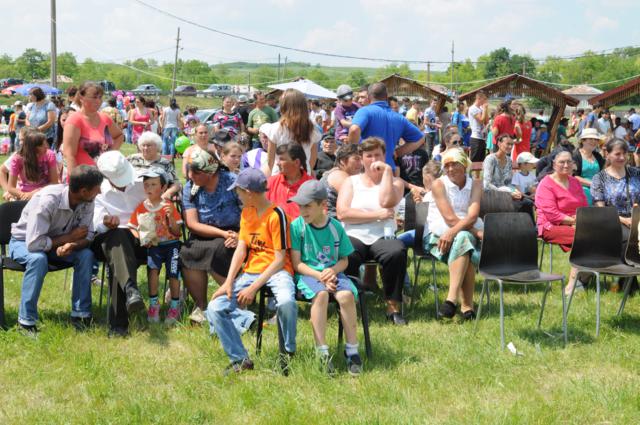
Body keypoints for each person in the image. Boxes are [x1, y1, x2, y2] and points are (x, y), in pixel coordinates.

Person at [207, 168, 297, 375]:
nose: (236, 195)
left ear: (248, 192)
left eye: (238, 191)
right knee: (215, 307)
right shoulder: (247, 212)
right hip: (251, 271)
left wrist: (254, 288)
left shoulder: (277, 215)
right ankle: (240, 359)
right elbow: (241, 248)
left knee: (286, 302)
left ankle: (289, 351)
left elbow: (279, 259)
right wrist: (229, 282)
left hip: (278, 271)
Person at [9, 165, 104, 333]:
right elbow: (34, 244)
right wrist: (68, 238)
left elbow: (88, 235)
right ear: (83, 191)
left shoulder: (88, 200)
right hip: (22, 242)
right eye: (97, 189)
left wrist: (72, 245)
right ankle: (26, 322)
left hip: (57, 244)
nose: (100, 192)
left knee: (86, 255)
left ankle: (81, 315)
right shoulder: (48, 200)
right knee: (38, 259)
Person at [289, 180, 362, 376]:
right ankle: (322, 352)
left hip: (334, 272)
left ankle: (352, 350)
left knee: (346, 296)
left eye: (307, 206)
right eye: (300, 205)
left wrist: (333, 270)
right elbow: (297, 264)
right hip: (308, 274)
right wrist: (320, 275)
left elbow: (344, 260)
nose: (302, 210)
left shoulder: (336, 227)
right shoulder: (297, 227)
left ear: (323, 206)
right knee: (320, 296)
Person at [338, 137, 408, 325]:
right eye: (368, 155)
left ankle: (393, 307)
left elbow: (387, 201)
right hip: (354, 234)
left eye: (377, 155)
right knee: (348, 254)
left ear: (384, 156)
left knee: (396, 252)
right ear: (361, 159)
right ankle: (349, 303)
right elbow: (343, 213)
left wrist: (386, 173)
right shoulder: (351, 182)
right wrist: (377, 214)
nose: (373, 159)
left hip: (383, 234)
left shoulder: (397, 183)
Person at [180, 148, 243, 322]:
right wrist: (221, 233)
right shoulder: (190, 188)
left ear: (210, 172)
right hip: (206, 232)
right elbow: (192, 224)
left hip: (234, 232)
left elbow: (250, 213)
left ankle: (235, 300)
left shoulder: (233, 182)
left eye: (196, 173)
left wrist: (239, 235)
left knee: (219, 250)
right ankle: (201, 306)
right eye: (190, 172)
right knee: (187, 252)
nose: (191, 176)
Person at [93, 151, 147, 336]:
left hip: (142, 239)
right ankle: (131, 289)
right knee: (117, 240)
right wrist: (106, 222)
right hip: (111, 239)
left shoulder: (143, 182)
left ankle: (118, 326)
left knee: (118, 261)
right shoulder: (99, 191)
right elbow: (96, 225)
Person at [425, 149, 483, 320]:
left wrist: (455, 231)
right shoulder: (438, 184)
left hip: (459, 230)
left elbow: (472, 215)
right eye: (447, 165)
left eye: (454, 164)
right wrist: (476, 232)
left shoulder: (477, 184)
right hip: (440, 233)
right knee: (467, 241)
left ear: (464, 165)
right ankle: (467, 306)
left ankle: (451, 300)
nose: (450, 169)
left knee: (464, 239)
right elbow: (449, 219)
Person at [128, 169, 183, 325]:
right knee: (152, 271)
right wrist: (141, 238)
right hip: (154, 246)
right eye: (146, 185)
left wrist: (171, 216)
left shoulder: (169, 206)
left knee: (173, 273)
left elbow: (177, 232)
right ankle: (154, 305)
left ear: (163, 188)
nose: (149, 188)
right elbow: (132, 226)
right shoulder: (141, 207)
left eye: (153, 184)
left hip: (172, 245)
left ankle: (174, 306)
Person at [535, 150, 589, 294]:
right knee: (584, 239)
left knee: (600, 236)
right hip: (550, 225)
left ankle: (583, 278)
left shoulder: (575, 182)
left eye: (569, 162)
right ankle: (572, 285)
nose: (566, 165)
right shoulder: (546, 184)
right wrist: (573, 222)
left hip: (577, 223)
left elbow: (584, 205)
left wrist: (581, 220)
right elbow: (551, 213)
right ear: (553, 164)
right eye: (561, 162)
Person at [347, 82, 424, 171]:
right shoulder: (399, 118)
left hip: (368, 169)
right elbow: (420, 139)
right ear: (386, 96)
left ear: (369, 96)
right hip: (388, 170)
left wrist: (352, 153)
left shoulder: (364, 111)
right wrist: (397, 152)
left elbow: (354, 130)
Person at [591, 138, 640, 262]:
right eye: (617, 154)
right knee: (630, 238)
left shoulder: (636, 174)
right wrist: (625, 220)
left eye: (625, 154)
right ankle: (628, 279)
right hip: (612, 222)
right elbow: (601, 210)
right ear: (607, 155)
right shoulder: (599, 178)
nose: (622, 157)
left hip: (637, 220)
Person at [62, 81, 124, 177]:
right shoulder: (74, 120)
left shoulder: (105, 118)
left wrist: (110, 154)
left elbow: (119, 136)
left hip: (105, 176)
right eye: (94, 97)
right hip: (85, 180)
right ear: (81, 98)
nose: (98, 101)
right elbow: (69, 155)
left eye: (100, 97)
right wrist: (76, 181)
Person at [263, 89, 321, 176]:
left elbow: (270, 160)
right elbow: (313, 157)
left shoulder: (275, 128)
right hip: (303, 175)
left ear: (284, 107)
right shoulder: (311, 129)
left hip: (280, 176)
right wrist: (308, 171)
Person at [483, 134, 534, 219]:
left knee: (527, 201)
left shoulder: (509, 160)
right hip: (493, 195)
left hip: (507, 192)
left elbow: (509, 182)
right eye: (508, 144)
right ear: (499, 144)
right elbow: (487, 184)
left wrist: (517, 192)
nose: (510, 147)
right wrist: (508, 194)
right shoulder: (490, 159)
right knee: (524, 204)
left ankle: (530, 228)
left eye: (511, 144)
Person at [7, 129, 59, 201]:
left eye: (46, 143)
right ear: (34, 148)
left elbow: (54, 182)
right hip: (23, 195)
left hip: (45, 193)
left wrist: (34, 193)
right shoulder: (17, 159)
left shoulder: (50, 154)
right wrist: (24, 195)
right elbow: (10, 187)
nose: (46, 147)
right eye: (43, 145)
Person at [127, 131, 181, 200]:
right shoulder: (132, 159)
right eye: (143, 145)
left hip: (155, 199)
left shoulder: (165, 163)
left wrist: (166, 194)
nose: (145, 148)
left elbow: (176, 183)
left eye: (149, 145)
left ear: (157, 147)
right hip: (132, 198)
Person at [267, 143, 314, 218]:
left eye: (282, 159)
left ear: (296, 162)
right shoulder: (271, 182)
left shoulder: (312, 186)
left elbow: (320, 213)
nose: (278, 163)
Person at [321, 144, 363, 218]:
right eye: (356, 159)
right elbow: (358, 200)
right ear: (342, 161)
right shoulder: (339, 175)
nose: (361, 163)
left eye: (362, 159)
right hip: (332, 223)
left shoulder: (344, 174)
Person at [573, 128, 605, 205]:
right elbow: (573, 176)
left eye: (596, 139)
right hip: (581, 188)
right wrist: (593, 184)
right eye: (590, 139)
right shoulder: (575, 155)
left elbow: (604, 172)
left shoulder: (598, 156)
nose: (594, 142)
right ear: (583, 140)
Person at [467, 91, 490, 162]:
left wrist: (485, 110)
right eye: (484, 99)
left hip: (482, 138)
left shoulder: (481, 108)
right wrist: (485, 109)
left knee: (480, 162)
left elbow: (486, 121)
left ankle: (477, 173)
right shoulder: (473, 108)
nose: (485, 101)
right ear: (479, 98)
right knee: (474, 161)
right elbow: (481, 120)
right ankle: (471, 173)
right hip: (476, 138)